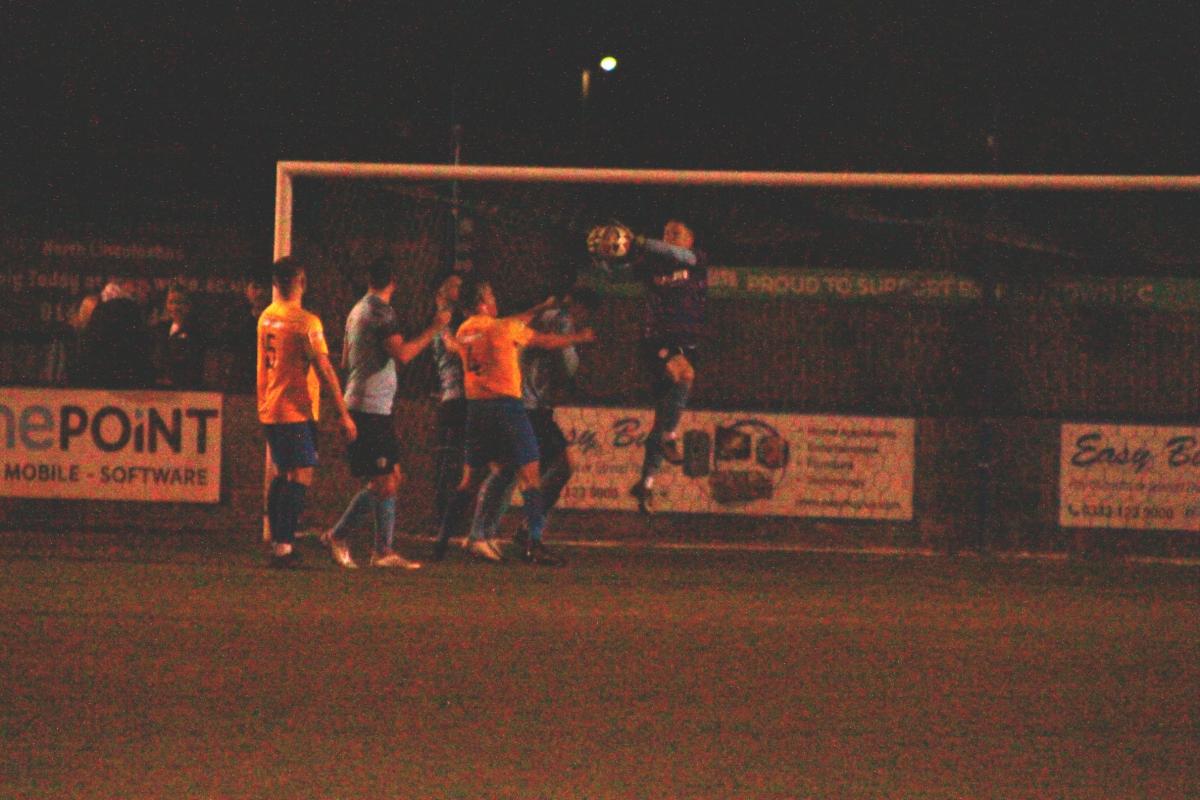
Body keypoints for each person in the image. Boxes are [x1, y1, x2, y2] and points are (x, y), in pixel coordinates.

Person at [432, 279, 594, 565]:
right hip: (507, 408)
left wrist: (538, 308)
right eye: (491, 296)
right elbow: (544, 340)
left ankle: (441, 543)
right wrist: (578, 338)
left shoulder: (465, 329)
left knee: (469, 481)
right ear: (482, 303)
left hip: (477, 411)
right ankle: (533, 542)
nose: (495, 300)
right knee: (530, 478)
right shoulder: (503, 329)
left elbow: (502, 326)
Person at [320, 258, 450, 569]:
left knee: (391, 478)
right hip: (369, 407)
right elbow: (403, 354)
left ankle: (379, 549)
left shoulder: (356, 311)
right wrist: (435, 328)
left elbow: (346, 359)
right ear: (394, 282)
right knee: (384, 482)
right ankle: (343, 537)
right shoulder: (382, 313)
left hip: (371, 404)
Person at [257, 257, 357, 569]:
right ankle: (284, 546)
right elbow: (324, 368)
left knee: (284, 473)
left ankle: (279, 543)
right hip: (295, 408)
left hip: (271, 405)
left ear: (276, 284)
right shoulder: (306, 322)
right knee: (300, 474)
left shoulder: (267, 316)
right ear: (302, 281)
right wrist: (343, 413)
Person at [625, 219, 708, 514]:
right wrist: (612, 255)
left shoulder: (696, 259)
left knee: (663, 418)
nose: (669, 238)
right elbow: (620, 273)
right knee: (685, 375)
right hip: (657, 341)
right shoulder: (652, 265)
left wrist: (643, 241)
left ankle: (646, 483)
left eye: (676, 233)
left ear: (690, 238)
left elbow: (678, 254)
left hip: (688, 345)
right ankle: (670, 438)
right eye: (666, 233)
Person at [429, 270, 468, 525]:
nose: (459, 290)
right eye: (454, 286)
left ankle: (454, 517)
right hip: (454, 396)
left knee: (459, 458)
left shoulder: (455, 319)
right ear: (441, 292)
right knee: (451, 459)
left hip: (460, 395)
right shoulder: (443, 320)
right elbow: (450, 345)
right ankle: (445, 517)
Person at [77, 277, 154, 389]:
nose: (147, 293)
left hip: (97, 378)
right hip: (127, 380)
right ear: (130, 285)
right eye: (143, 288)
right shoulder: (129, 309)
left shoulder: (101, 307)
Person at [152, 283, 206, 389]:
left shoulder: (196, 330)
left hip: (187, 388)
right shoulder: (161, 329)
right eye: (171, 302)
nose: (175, 307)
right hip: (160, 388)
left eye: (179, 302)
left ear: (188, 305)